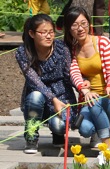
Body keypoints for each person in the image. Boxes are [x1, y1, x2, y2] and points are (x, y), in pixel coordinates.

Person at [64, 7, 110, 149]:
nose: (80, 28)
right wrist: (85, 90)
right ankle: (97, 131)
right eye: (75, 25)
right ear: (69, 29)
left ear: (89, 24)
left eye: (83, 23)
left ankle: (107, 147)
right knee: (85, 129)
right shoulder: (72, 50)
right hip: (89, 100)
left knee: (95, 102)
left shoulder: (103, 43)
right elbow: (74, 74)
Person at [15, 14, 77, 154]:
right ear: (32, 33)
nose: (49, 36)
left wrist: (82, 85)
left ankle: (58, 134)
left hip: (62, 95)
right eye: (43, 32)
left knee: (59, 125)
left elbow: (68, 75)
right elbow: (35, 82)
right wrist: (52, 99)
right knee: (35, 96)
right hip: (38, 98)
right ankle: (31, 136)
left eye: (51, 32)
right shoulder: (23, 53)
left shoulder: (62, 49)